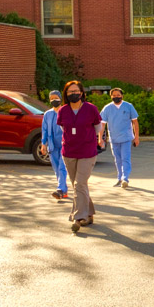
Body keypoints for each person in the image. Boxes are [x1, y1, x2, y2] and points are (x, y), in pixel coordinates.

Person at [56, 81, 103, 234]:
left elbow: (98, 127)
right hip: (69, 152)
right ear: (66, 94)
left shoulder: (91, 109)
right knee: (79, 185)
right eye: (69, 92)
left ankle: (78, 218)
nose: (73, 94)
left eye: (76, 91)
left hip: (87, 152)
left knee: (79, 184)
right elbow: (63, 128)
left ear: (82, 93)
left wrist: (97, 140)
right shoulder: (63, 110)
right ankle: (89, 214)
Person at [99, 88, 140, 189]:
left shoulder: (128, 106)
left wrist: (136, 137)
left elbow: (135, 122)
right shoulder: (107, 108)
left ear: (122, 96)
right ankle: (119, 178)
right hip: (114, 138)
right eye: (114, 95)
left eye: (118, 95)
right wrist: (100, 138)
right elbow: (102, 124)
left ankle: (125, 178)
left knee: (125, 158)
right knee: (117, 159)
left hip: (126, 137)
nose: (116, 97)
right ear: (111, 96)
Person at [40, 90, 68, 200]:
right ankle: (63, 191)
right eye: (51, 98)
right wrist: (43, 144)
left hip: (65, 144)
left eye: (56, 98)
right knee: (56, 168)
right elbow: (45, 130)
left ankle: (60, 189)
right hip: (52, 145)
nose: (53, 100)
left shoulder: (66, 111)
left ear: (60, 98)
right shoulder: (48, 114)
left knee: (62, 167)